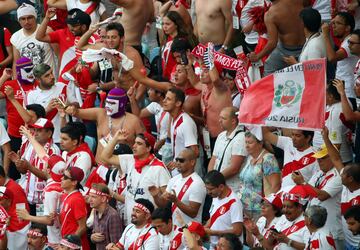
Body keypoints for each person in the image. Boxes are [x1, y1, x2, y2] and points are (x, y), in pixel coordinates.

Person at [101, 130, 170, 225]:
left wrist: (156, 196)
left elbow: (167, 201)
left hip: (149, 224)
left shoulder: (159, 168)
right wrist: (116, 139)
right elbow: (105, 157)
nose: (134, 146)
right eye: (134, 143)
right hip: (131, 223)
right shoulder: (130, 160)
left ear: (148, 148)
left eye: (139, 143)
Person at [65, 87, 145, 162]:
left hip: (122, 169)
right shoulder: (100, 113)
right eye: (107, 102)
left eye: (111, 103)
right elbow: (78, 112)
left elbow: (146, 143)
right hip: (99, 168)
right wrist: (72, 110)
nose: (107, 106)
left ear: (121, 104)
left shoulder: (134, 121)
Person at [292, 143, 344, 249]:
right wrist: (299, 182)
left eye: (323, 158)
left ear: (333, 157)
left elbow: (322, 195)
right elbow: (306, 193)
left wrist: (302, 182)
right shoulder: (319, 173)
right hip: (315, 229)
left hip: (331, 231)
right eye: (318, 158)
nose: (319, 161)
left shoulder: (338, 176)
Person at [10, 118, 60, 215]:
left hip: (42, 201)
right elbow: (23, 172)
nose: (35, 133)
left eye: (39, 131)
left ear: (49, 133)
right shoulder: (30, 147)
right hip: (27, 196)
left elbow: (48, 177)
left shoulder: (54, 151)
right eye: (35, 130)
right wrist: (18, 163)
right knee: (26, 225)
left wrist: (29, 166)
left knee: (40, 228)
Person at [322, 127, 360, 249]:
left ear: (350, 179)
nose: (340, 174)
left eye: (343, 174)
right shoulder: (348, 184)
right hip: (347, 243)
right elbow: (336, 159)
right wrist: (325, 138)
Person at [0, 57, 37, 179]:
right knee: (15, 172)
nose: (30, 73)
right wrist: (4, 77)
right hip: (15, 135)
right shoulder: (11, 84)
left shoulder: (38, 84)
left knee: (32, 168)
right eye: (27, 70)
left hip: (34, 135)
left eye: (32, 69)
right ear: (20, 71)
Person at [151, 148, 206, 227]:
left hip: (191, 231)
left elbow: (193, 213)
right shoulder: (174, 179)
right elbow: (163, 204)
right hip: (176, 230)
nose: (178, 163)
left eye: (181, 160)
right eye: (177, 160)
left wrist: (176, 201)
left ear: (192, 162)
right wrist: (156, 196)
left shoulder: (197, 183)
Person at [36, 8, 93, 83]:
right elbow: (39, 37)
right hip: (64, 81)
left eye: (73, 24)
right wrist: (47, 18)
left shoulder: (94, 40)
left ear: (83, 27)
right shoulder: (62, 33)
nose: (70, 27)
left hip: (85, 82)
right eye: (69, 23)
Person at [249, 0, 305, 75]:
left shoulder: (270, 14)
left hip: (286, 50)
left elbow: (272, 43)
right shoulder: (297, 1)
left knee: (268, 71)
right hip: (306, 44)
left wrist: (257, 57)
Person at [239, 131, 281, 219]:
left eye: (250, 142)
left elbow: (276, 185)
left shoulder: (268, 159)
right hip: (247, 209)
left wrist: (268, 207)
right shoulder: (250, 158)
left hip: (260, 210)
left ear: (260, 143)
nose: (247, 145)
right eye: (246, 142)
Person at [322, 12, 358, 109]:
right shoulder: (346, 41)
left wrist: (325, 35)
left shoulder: (349, 42)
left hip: (348, 92)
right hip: (342, 90)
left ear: (347, 28)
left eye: (338, 23)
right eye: (333, 23)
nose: (333, 26)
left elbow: (332, 58)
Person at [208, 107, 247, 194]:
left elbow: (234, 168)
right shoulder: (221, 135)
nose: (219, 121)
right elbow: (213, 159)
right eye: (220, 117)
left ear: (233, 121)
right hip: (217, 187)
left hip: (232, 189)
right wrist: (210, 177)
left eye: (223, 118)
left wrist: (214, 180)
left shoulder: (241, 138)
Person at [27, 63, 67, 144]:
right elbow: (31, 121)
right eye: (47, 75)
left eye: (51, 73)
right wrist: (47, 109)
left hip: (65, 138)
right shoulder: (32, 95)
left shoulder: (62, 87)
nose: (52, 77)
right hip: (44, 141)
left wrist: (67, 106)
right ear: (38, 80)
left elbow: (76, 105)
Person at [11, 3, 56, 75]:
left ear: (35, 17)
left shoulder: (47, 30)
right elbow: (16, 62)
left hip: (48, 79)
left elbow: (59, 54)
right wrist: (16, 82)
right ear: (19, 21)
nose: (26, 22)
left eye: (29, 18)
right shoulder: (15, 37)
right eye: (23, 19)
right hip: (28, 80)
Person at [162, 87, 199, 174]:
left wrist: (178, 163)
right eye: (165, 98)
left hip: (187, 173)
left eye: (168, 99)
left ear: (178, 103)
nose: (164, 101)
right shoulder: (174, 119)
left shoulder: (186, 123)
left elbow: (195, 151)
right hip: (179, 171)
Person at [203, 170, 243, 249]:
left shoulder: (234, 202)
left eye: (211, 189)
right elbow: (214, 216)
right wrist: (205, 228)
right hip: (214, 246)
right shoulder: (215, 196)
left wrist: (214, 233)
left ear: (221, 187)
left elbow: (237, 231)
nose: (208, 192)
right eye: (207, 189)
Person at [0, 166, 30, 249]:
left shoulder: (13, 189)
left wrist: (7, 228)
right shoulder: (3, 188)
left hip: (16, 231)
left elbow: (21, 215)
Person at [60, 166, 89, 249]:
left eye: (65, 177)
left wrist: (70, 243)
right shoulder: (68, 196)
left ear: (74, 182)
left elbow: (82, 227)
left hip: (75, 246)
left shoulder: (76, 199)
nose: (61, 178)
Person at [88, 183, 122, 250]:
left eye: (93, 197)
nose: (90, 200)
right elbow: (94, 234)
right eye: (89, 196)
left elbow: (116, 245)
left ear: (103, 198)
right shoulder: (95, 211)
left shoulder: (113, 216)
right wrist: (92, 237)